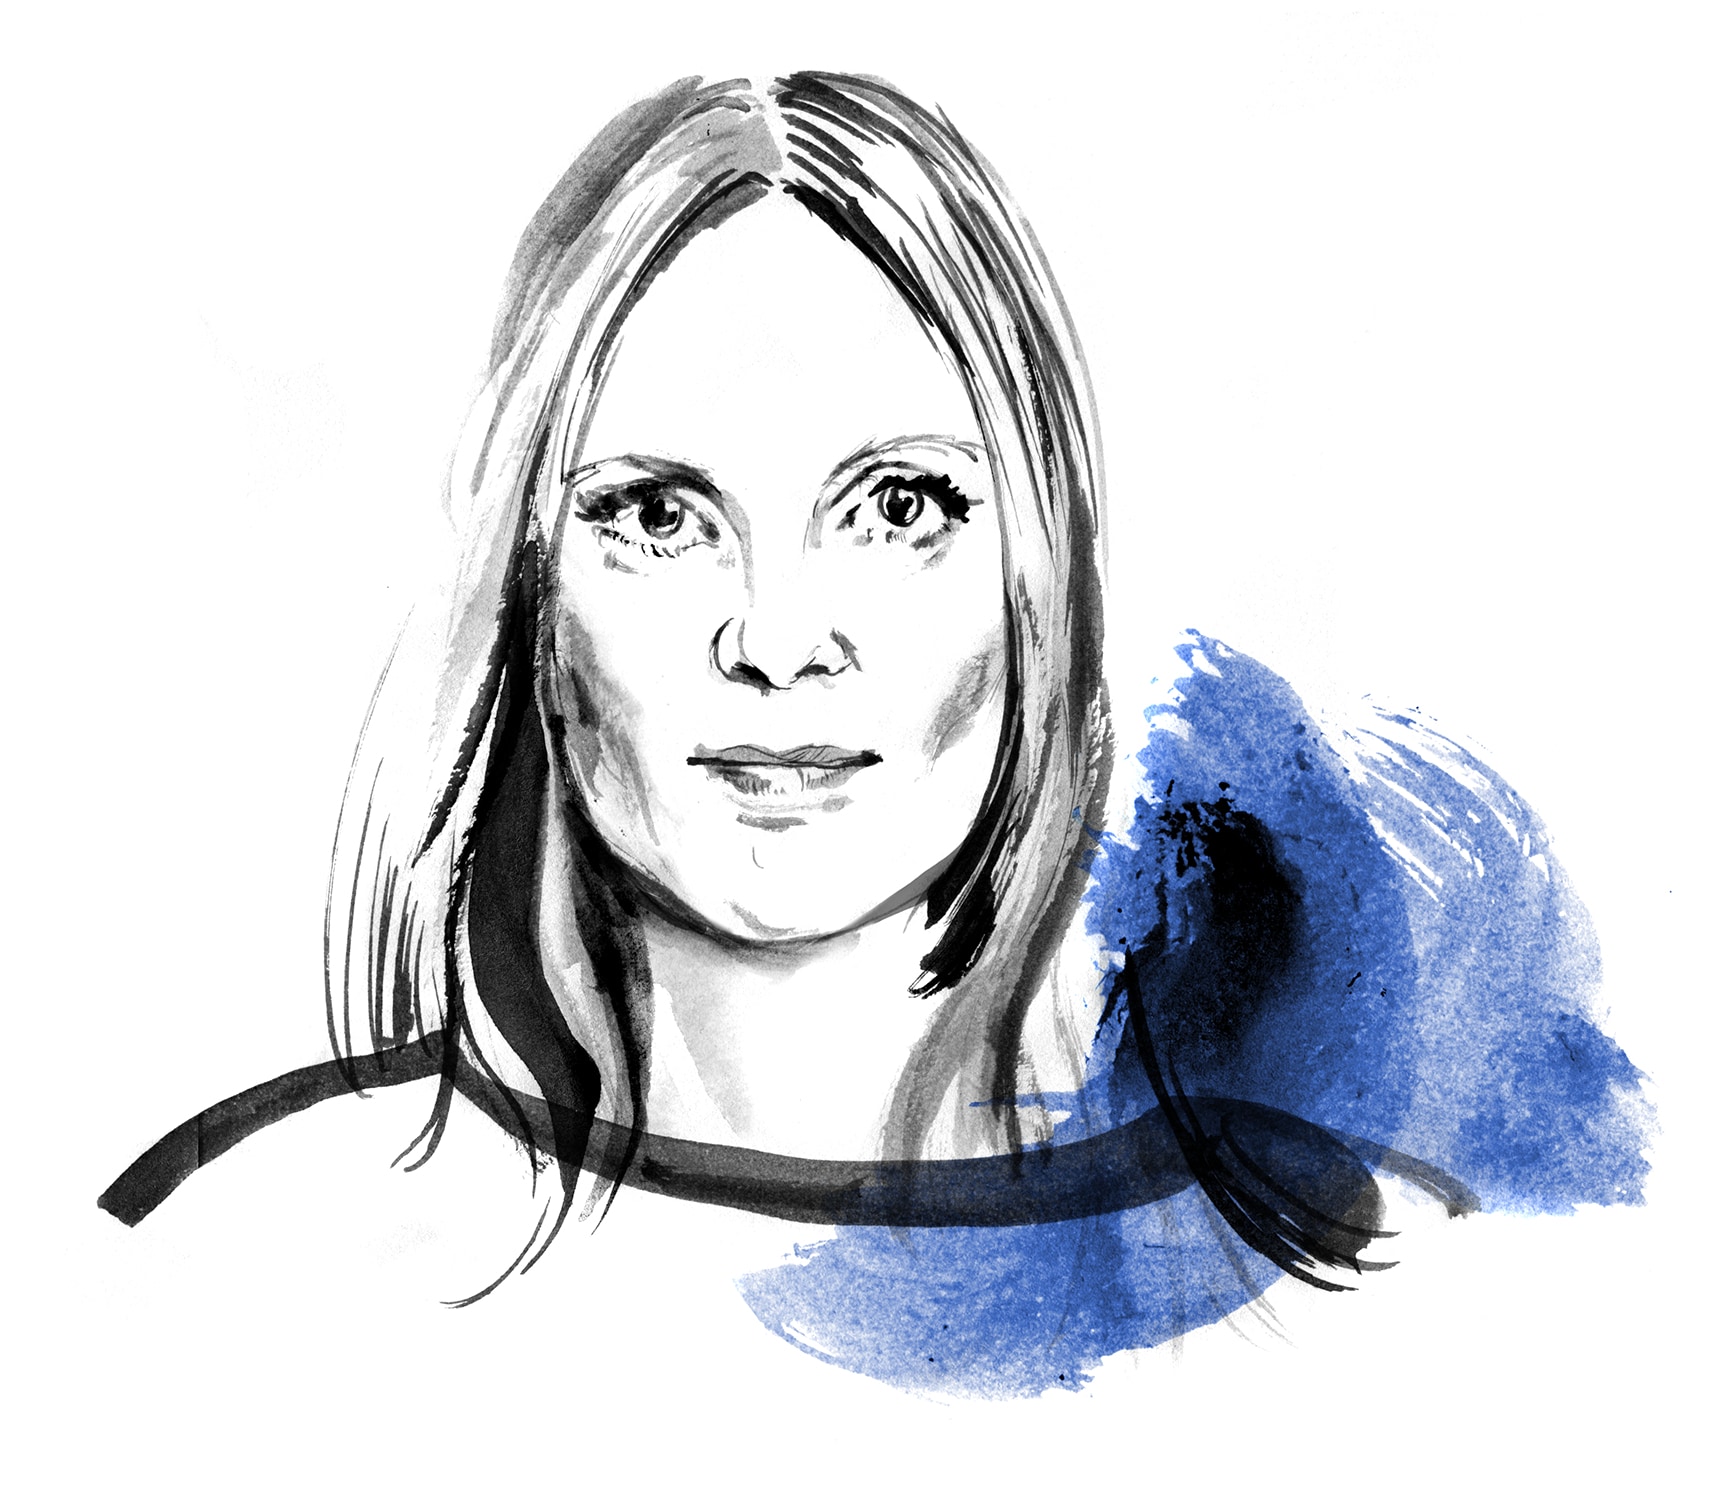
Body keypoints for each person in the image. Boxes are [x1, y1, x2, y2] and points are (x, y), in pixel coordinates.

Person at [102, 73, 1646, 1392]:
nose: (777, 641)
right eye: (657, 515)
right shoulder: (238, 1263)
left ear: (1041, 580)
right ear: (526, 583)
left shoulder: (1348, 1295)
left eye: (901, 506)